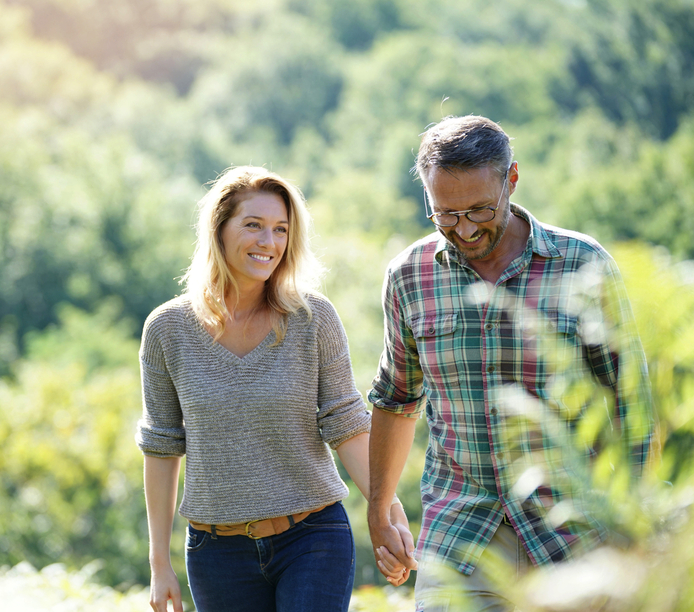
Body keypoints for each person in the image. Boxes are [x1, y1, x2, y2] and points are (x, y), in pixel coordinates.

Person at [366, 116, 654, 611]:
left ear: (511, 179)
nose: (466, 228)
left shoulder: (582, 263)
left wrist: (641, 518)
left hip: (573, 529)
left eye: (480, 209)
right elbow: (396, 398)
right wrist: (378, 507)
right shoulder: (408, 276)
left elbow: (629, 401)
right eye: (445, 215)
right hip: (461, 526)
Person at [136, 166, 406, 612]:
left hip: (313, 538)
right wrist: (158, 563)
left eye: (281, 229)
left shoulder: (313, 318)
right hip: (216, 553)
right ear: (219, 230)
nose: (269, 242)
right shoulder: (167, 330)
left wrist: (386, 510)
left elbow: (346, 423)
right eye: (253, 225)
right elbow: (162, 447)